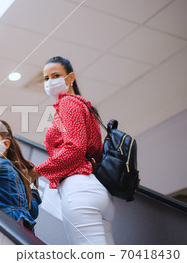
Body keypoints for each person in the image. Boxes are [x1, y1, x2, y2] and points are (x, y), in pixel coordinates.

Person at [34, 56, 115, 245]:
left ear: (70, 78)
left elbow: (74, 148)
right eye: (46, 78)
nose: (50, 82)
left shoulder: (68, 103)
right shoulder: (83, 105)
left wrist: (36, 171)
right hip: (98, 192)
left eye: (55, 75)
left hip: (79, 191)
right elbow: (93, 151)